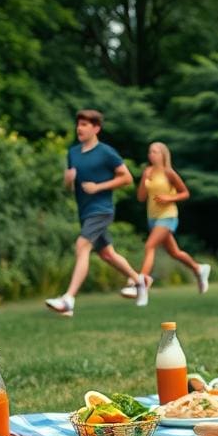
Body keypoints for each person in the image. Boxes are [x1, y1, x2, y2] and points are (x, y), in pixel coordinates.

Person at [45, 110, 146, 317]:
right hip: (85, 211)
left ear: (96, 128)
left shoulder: (106, 152)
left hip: (102, 210)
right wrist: (68, 180)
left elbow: (127, 178)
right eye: (78, 124)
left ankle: (68, 300)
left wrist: (99, 187)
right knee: (107, 254)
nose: (79, 128)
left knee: (82, 246)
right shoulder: (72, 153)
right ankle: (139, 281)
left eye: (84, 125)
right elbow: (72, 188)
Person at [120, 142, 211, 299]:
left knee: (149, 246)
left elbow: (185, 193)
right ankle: (198, 268)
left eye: (155, 152)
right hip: (153, 218)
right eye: (150, 152)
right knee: (174, 252)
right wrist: (144, 177)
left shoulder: (169, 173)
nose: (151, 155)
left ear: (163, 155)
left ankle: (140, 282)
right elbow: (141, 197)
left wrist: (169, 198)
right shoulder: (148, 172)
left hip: (168, 216)